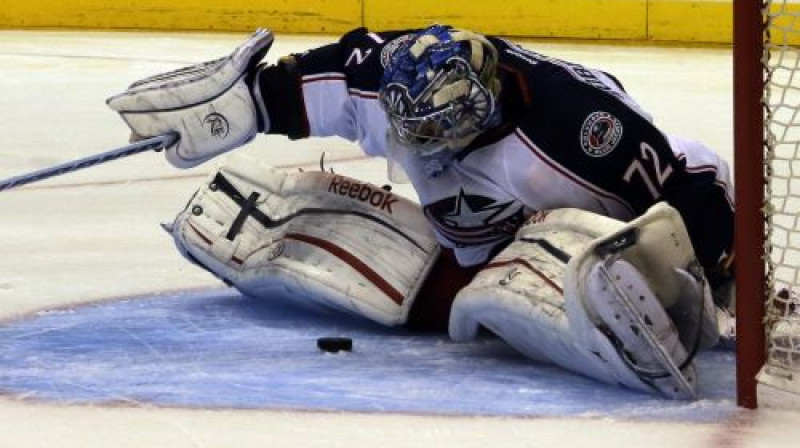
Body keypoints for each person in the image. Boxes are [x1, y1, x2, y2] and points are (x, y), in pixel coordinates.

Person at [107, 25, 734, 399]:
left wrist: (717, 273)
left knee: (560, 262)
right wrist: (238, 107)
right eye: (413, 132)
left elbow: (685, 190)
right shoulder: (390, 79)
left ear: (485, 107)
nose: (419, 153)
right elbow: (297, 90)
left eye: (440, 134)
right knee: (449, 294)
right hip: (490, 209)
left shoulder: (581, 140)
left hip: (578, 195)